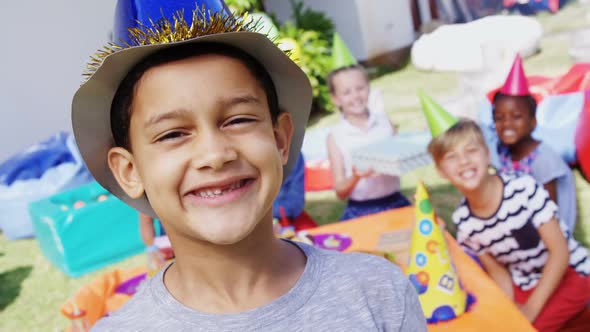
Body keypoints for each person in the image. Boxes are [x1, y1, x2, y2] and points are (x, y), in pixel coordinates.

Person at [72, 1, 426, 330]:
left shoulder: (380, 293)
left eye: (238, 120)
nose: (215, 154)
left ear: (281, 140)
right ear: (129, 172)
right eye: (173, 134)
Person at [422, 95, 589, 331]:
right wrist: (506, 309)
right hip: (525, 280)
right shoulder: (465, 223)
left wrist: (530, 310)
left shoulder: (523, 189)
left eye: (471, 151)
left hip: (572, 273)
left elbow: (560, 253)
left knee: (524, 327)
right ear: (440, 171)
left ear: (487, 154)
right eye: (452, 157)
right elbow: (499, 273)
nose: (464, 162)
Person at [326, 34, 410, 221]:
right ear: (335, 98)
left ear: (368, 87)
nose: (355, 96)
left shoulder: (384, 122)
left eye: (360, 88)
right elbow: (340, 192)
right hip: (361, 210)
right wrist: (356, 176)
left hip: (395, 202)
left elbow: (402, 160)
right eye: (347, 92)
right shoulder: (336, 136)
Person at [491, 54, 577, 233]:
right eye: (499, 118)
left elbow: (550, 212)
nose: (507, 124)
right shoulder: (504, 152)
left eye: (517, 117)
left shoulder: (544, 160)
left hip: (549, 234)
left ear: (532, 121)